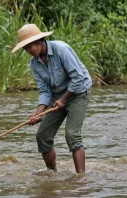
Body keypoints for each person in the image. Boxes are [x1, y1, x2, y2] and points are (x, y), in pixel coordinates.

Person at [12, 24, 92, 173]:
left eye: (30, 47)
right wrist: (38, 113)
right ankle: (52, 174)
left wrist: (63, 100)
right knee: (42, 135)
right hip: (57, 94)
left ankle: (80, 178)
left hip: (79, 92)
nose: (28, 51)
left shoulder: (61, 49)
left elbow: (78, 78)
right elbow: (44, 90)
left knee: (72, 135)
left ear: (39, 41)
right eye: (25, 49)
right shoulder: (34, 63)